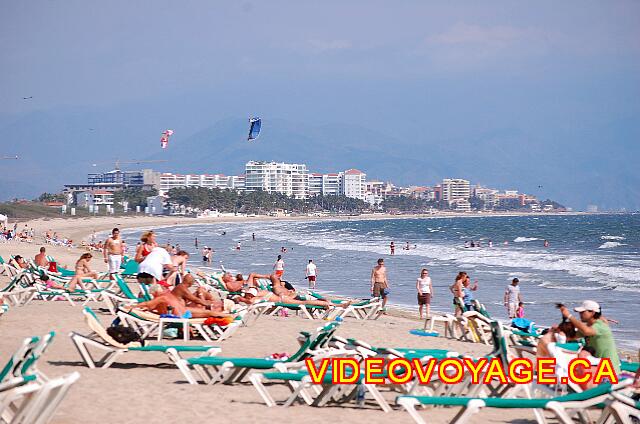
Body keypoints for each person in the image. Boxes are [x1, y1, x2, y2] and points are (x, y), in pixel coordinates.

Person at [559, 300, 621, 374]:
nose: (580, 314)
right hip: (597, 367)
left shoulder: (600, 326)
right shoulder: (590, 326)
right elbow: (571, 337)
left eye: (582, 312)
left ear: (592, 312)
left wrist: (569, 316)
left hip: (609, 371)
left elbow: (586, 331)